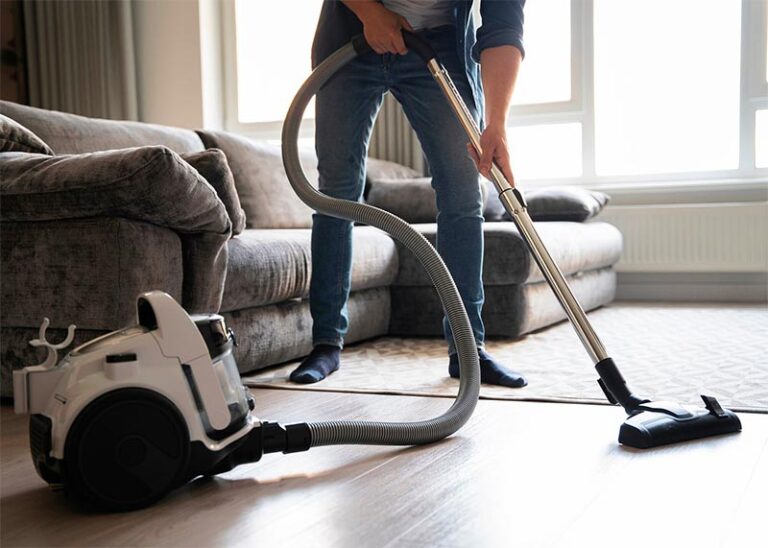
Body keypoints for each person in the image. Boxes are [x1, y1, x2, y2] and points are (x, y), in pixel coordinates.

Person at [290, 0, 528, 387]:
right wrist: (371, 13)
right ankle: (326, 344)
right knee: (337, 193)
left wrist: (496, 123)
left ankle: (468, 350)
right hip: (349, 38)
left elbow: (503, 27)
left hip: (441, 46)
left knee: (463, 193)